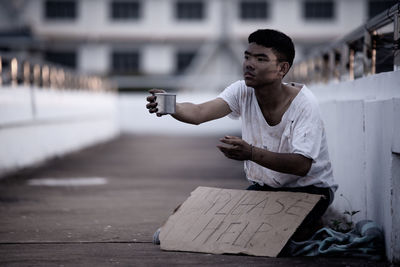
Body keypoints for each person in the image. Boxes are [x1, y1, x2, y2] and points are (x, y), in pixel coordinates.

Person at [146, 29, 338, 242]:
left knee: (259, 236)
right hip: (266, 191)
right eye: (247, 57)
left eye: (260, 59)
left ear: (282, 68)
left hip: (310, 191)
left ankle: (309, 226)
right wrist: (171, 106)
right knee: (183, 218)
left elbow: (302, 165)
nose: (249, 64)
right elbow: (199, 113)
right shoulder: (242, 91)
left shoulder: (304, 104)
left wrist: (251, 153)